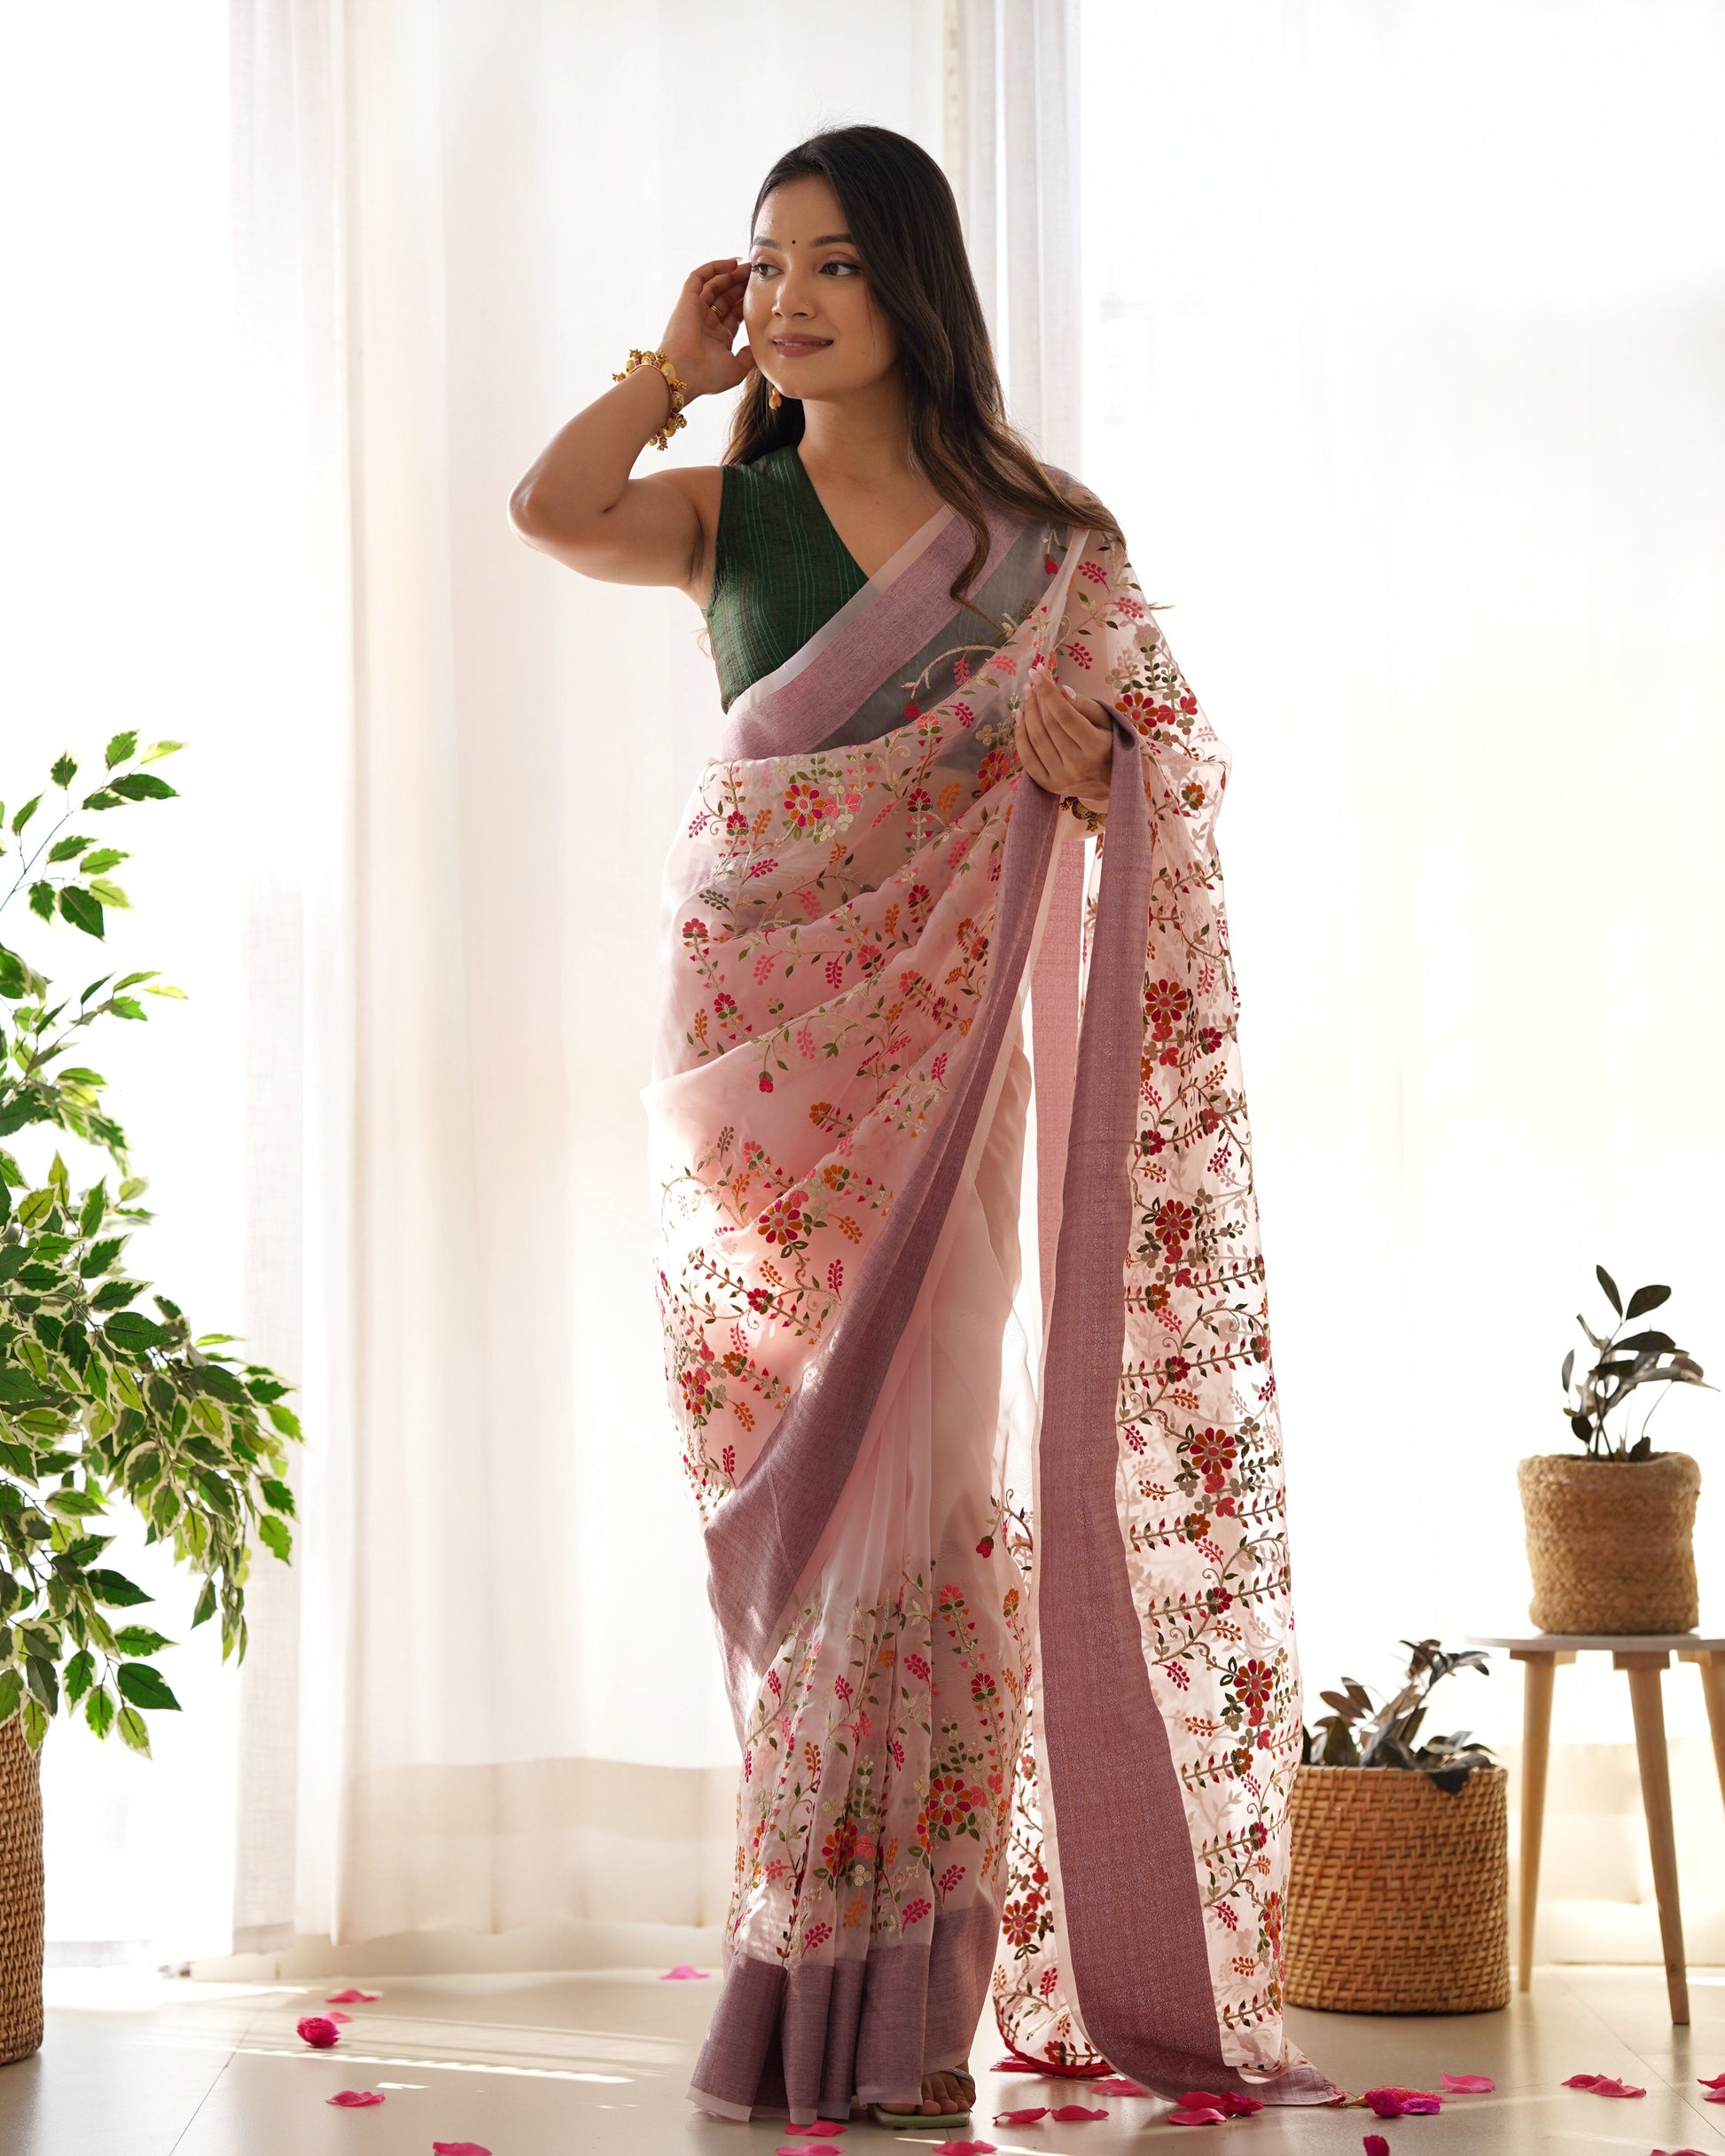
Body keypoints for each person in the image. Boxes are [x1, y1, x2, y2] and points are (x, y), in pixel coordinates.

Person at [511, 123, 1331, 2134]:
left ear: (914, 286)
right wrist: (674, 365)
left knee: (932, 1495)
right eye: (764, 265)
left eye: (833, 265)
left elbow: (1167, 752)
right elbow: (550, 508)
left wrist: (1089, 755)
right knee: (807, 1503)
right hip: (758, 1065)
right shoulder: (729, 511)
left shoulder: (1041, 543)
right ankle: (809, 1995)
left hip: (943, 1067)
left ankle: (902, 2023)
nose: (791, 298)